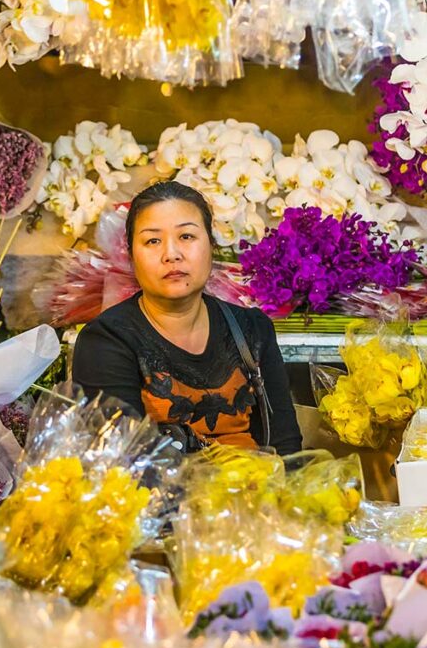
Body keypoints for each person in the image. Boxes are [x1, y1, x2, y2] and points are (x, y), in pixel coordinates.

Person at [72, 181, 301, 455]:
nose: (172, 254)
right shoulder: (106, 340)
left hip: (259, 489)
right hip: (159, 495)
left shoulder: (252, 328)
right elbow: (121, 463)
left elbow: (287, 448)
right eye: (152, 241)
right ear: (132, 256)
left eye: (187, 237)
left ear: (211, 246)